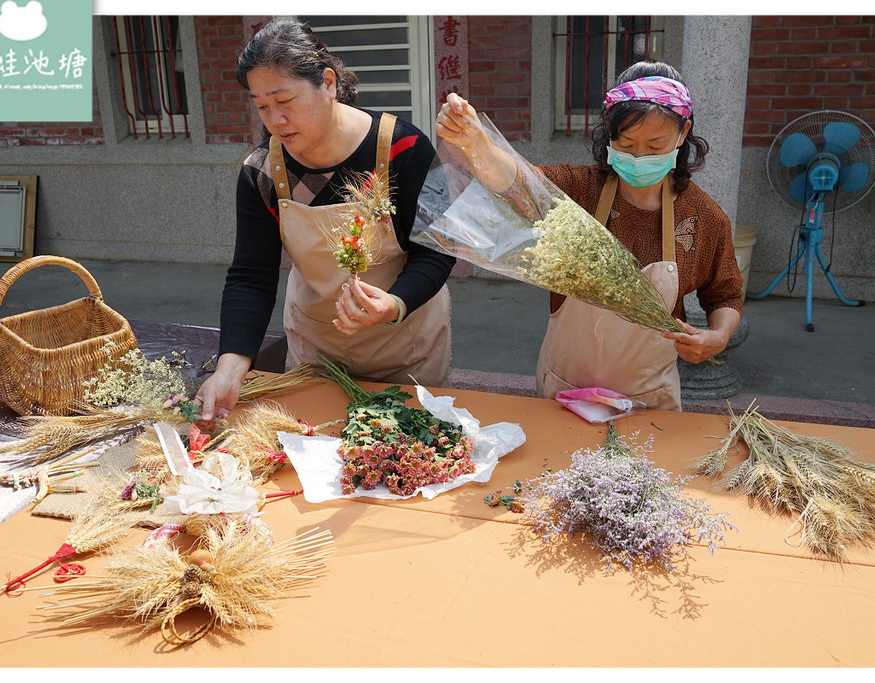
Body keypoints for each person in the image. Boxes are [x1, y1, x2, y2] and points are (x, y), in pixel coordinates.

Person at [435, 60, 743, 410]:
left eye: (656, 146)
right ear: (609, 134)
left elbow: (725, 295)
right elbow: (519, 184)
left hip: (649, 401)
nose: (639, 157)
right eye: (626, 144)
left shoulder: (704, 217)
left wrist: (717, 337)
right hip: (565, 393)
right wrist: (478, 143)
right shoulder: (579, 191)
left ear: (683, 133)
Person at [196, 19, 455, 423]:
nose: (274, 120)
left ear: (328, 84)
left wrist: (393, 303)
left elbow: (436, 250)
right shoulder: (262, 171)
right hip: (317, 348)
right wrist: (230, 368)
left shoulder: (404, 148)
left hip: (405, 340)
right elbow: (251, 274)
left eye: (285, 100)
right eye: (262, 105)